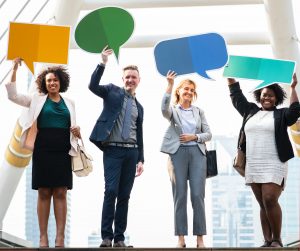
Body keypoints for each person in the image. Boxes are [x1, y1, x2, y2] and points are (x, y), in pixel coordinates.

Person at [6, 58, 80, 247]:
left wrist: (77, 132)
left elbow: (72, 127)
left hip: (63, 149)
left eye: (55, 80)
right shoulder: (36, 100)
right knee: (44, 191)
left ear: (60, 82)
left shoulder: (70, 102)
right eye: (49, 81)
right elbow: (13, 96)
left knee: (62, 191)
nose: (52, 83)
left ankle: (60, 238)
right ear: (44, 84)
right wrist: (14, 69)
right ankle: (43, 237)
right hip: (43, 149)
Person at [227, 74, 300, 248]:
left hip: (275, 162)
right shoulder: (250, 111)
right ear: (259, 96)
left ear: (276, 99)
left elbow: (295, 111)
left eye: (271, 95)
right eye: (264, 94)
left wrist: (293, 87)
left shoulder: (281, 114)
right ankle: (267, 241)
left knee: (269, 198)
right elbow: (236, 97)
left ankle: (277, 239)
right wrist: (230, 77)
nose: (267, 97)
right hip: (253, 162)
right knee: (262, 203)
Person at [88, 47, 144, 248]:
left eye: (134, 77)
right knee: (110, 191)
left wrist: (141, 159)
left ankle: (120, 238)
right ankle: (106, 237)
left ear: (139, 80)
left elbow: (139, 134)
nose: (130, 80)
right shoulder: (112, 91)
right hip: (113, 150)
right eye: (127, 77)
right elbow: (92, 86)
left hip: (132, 152)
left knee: (125, 195)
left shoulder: (140, 107)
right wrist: (102, 62)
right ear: (123, 79)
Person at [160, 71, 212, 248]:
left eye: (192, 90)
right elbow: (163, 109)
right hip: (177, 154)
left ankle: (200, 239)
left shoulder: (199, 112)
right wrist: (169, 84)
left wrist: (194, 137)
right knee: (179, 196)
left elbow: (208, 134)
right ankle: (181, 238)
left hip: (197, 154)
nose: (189, 92)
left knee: (198, 196)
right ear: (179, 91)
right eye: (186, 89)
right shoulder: (173, 111)